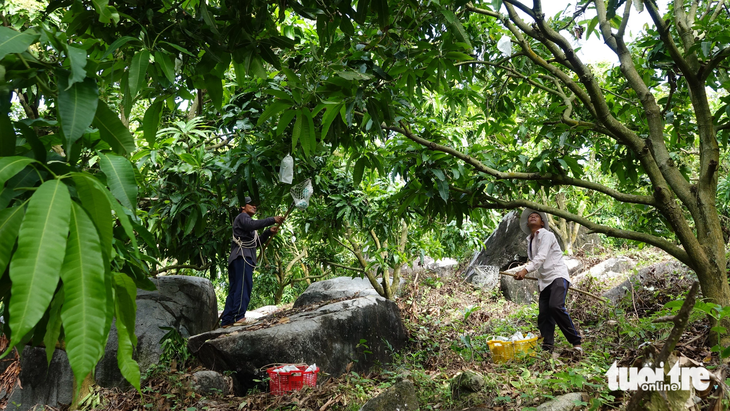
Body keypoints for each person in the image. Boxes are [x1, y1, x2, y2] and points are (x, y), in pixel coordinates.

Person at [514, 208, 582, 353]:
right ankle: (548, 347)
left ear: (542, 223)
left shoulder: (547, 235)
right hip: (544, 281)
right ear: (527, 223)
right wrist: (521, 272)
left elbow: (541, 257)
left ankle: (576, 342)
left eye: (536, 216)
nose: (532, 217)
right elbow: (535, 261)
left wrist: (525, 271)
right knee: (544, 314)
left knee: (555, 306)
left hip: (557, 276)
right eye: (530, 216)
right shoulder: (530, 240)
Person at [221, 196, 284, 328]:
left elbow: (255, 244)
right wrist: (272, 219)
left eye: (255, 205)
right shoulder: (243, 217)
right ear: (243, 206)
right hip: (242, 256)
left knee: (235, 289)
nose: (254, 206)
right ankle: (239, 317)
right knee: (243, 286)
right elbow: (252, 224)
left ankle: (227, 320)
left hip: (239, 257)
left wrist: (267, 232)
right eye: (251, 204)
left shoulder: (248, 226)